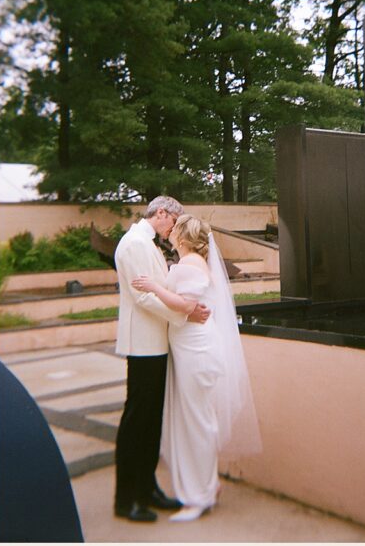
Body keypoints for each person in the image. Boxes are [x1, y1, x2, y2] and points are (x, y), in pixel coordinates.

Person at [132, 214, 261, 522]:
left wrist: (153, 286)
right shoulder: (189, 264)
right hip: (189, 348)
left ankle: (199, 497)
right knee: (195, 419)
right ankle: (207, 485)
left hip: (195, 350)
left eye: (175, 229)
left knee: (196, 422)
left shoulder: (189, 265)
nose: (170, 231)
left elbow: (186, 305)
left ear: (184, 236)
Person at [114, 196, 210, 523]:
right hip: (142, 344)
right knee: (137, 422)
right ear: (162, 213)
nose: (174, 230)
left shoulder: (148, 243)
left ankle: (147, 488)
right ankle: (126, 499)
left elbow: (159, 287)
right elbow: (143, 296)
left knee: (151, 422)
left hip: (156, 344)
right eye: (174, 221)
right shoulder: (133, 245)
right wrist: (185, 313)